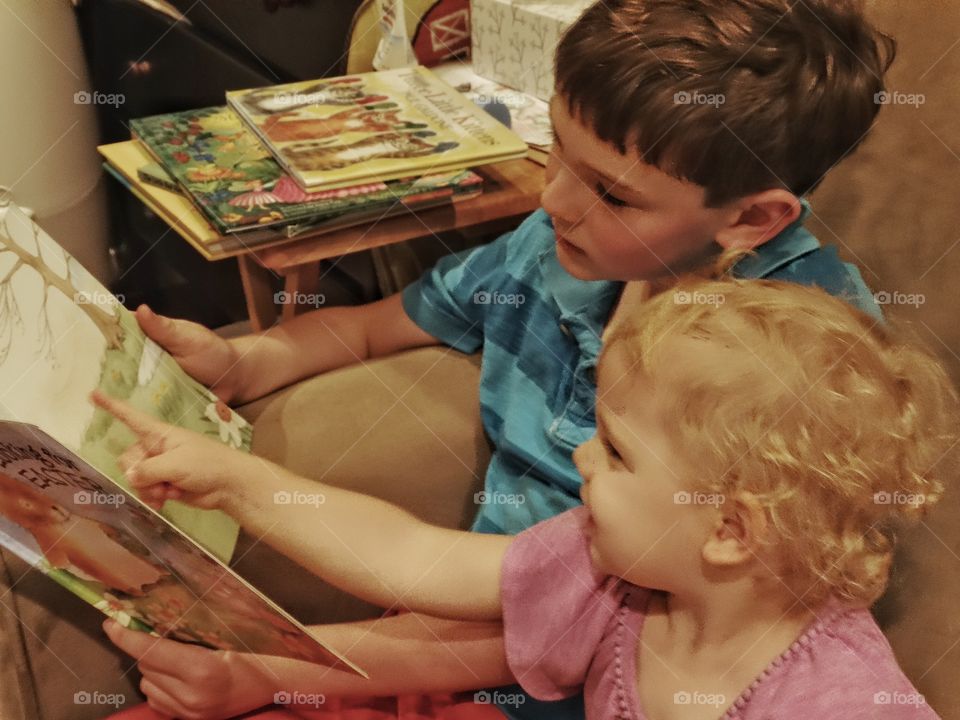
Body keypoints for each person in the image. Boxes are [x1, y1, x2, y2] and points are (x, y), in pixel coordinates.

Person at [0, 0, 898, 718]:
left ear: (750, 218)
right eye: (558, 152)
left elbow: (551, 615)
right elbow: (368, 329)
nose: (553, 201)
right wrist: (252, 362)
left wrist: (279, 674)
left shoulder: (795, 362)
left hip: (518, 647)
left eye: (612, 194)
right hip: (471, 609)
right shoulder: (551, 249)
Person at [98, 277, 958, 719]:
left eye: (616, 452)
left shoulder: (833, 699)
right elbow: (413, 560)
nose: (582, 456)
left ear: (730, 528)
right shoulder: (617, 573)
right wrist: (242, 483)